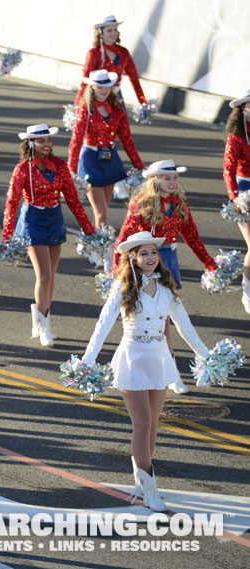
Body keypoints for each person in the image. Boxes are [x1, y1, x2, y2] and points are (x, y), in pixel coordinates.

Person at [81, 231, 213, 512]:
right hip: (133, 358)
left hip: (159, 358)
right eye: (144, 253)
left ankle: (143, 478)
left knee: (153, 423)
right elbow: (102, 324)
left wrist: (207, 356)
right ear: (133, 258)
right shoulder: (122, 288)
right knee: (141, 423)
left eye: (154, 252)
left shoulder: (166, 288)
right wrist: (87, 360)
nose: (151, 258)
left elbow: (184, 326)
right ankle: (150, 491)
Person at [113, 160, 216, 394]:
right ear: (155, 180)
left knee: (169, 317)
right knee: (162, 323)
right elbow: (124, 239)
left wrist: (209, 263)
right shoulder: (141, 203)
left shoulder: (179, 202)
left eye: (175, 178)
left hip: (169, 260)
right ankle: (170, 373)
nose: (173, 182)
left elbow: (191, 235)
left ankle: (168, 372)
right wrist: (116, 274)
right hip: (148, 260)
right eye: (167, 178)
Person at [2, 124, 95, 347]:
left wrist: (88, 229)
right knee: (43, 274)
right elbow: (12, 202)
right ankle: (44, 327)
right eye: (41, 141)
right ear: (30, 144)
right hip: (32, 221)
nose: (47, 144)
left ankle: (40, 320)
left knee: (51, 275)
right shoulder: (23, 169)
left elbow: (72, 199)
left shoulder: (60, 166)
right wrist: (6, 234)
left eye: (48, 140)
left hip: (54, 219)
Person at [68, 69, 144, 235]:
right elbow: (76, 141)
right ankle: (105, 253)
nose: (103, 90)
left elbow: (127, 140)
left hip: (110, 160)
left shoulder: (117, 110)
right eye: (99, 87)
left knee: (102, 211)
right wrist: (71, 170)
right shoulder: (84, 110)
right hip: (90, 161)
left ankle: (95, 249)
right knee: (101, 212)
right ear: (92, 88)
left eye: (106, 87)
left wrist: (139, 167)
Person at [73, 15, 148, 109]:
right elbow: (85, 80)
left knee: (121, 122)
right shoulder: (94, 53)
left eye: (115, 30)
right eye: (109, 30)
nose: (114, 33)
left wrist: (142, 102)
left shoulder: (124, 52)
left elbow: (134, 78)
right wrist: (77, 104)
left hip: (116, 97)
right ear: (101, 33)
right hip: (97, 99)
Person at [222, 89, 250, 314]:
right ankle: (247, 290)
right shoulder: (236, 135)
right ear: (243, 109)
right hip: (244, 190)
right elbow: (228, 170)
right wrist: (234, 199)